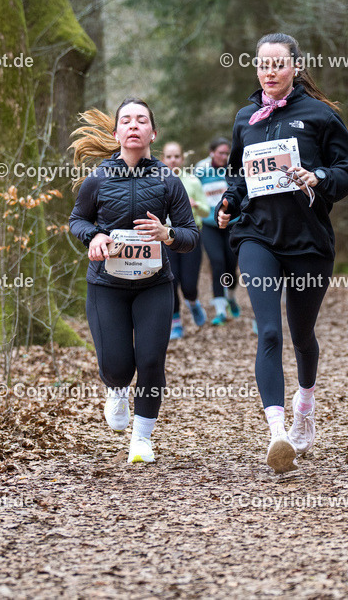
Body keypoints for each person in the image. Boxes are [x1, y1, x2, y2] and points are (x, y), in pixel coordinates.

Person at [217, 33, 348, 473]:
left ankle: (305, 408)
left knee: (301, 336)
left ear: (295, 67)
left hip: (309, 242)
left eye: (278, 64)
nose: (270, 72)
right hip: (258, 237)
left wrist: (318, 176)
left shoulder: (319, 115)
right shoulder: (247, 118)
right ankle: (277, 434)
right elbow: (239, 175)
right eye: (263, 65)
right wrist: (229, 205)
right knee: (269, 333)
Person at [68, 98, 199, 464]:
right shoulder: (97, 179)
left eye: (141, 120)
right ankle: (116, 391)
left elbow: (191, 234)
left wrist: (166, 233)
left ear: (152, 133)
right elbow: (76, 220)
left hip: (154, 286)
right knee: (118, 365)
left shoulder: (168, 181)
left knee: (151, 360)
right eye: (126, 120)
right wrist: (93, 236)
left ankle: (141, 439)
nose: (134, 125)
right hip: (106, 286)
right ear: (116, 133)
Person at [160, 141, 210, 339]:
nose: (173, 160)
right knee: (171, 282)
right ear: (163, 159)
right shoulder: (158, 181)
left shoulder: (192, 182)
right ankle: (176, 323)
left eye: (177, 156)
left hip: (190, 235)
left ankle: (193, 301)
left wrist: (195, 204)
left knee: (188, 284)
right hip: (166, 237)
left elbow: (207, 211)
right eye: (169, 157)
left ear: (182, 159)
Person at [195, 137, 243, 325]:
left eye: (226, 153)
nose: (224, 156)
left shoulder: (233, 168)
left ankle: (230, 297)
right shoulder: (201, 169)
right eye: (220, 153)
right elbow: (192, 189)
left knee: (231, 264)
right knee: (217, 263)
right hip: (209, 224)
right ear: (212, 153)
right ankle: (220, 310)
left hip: (232, 223)